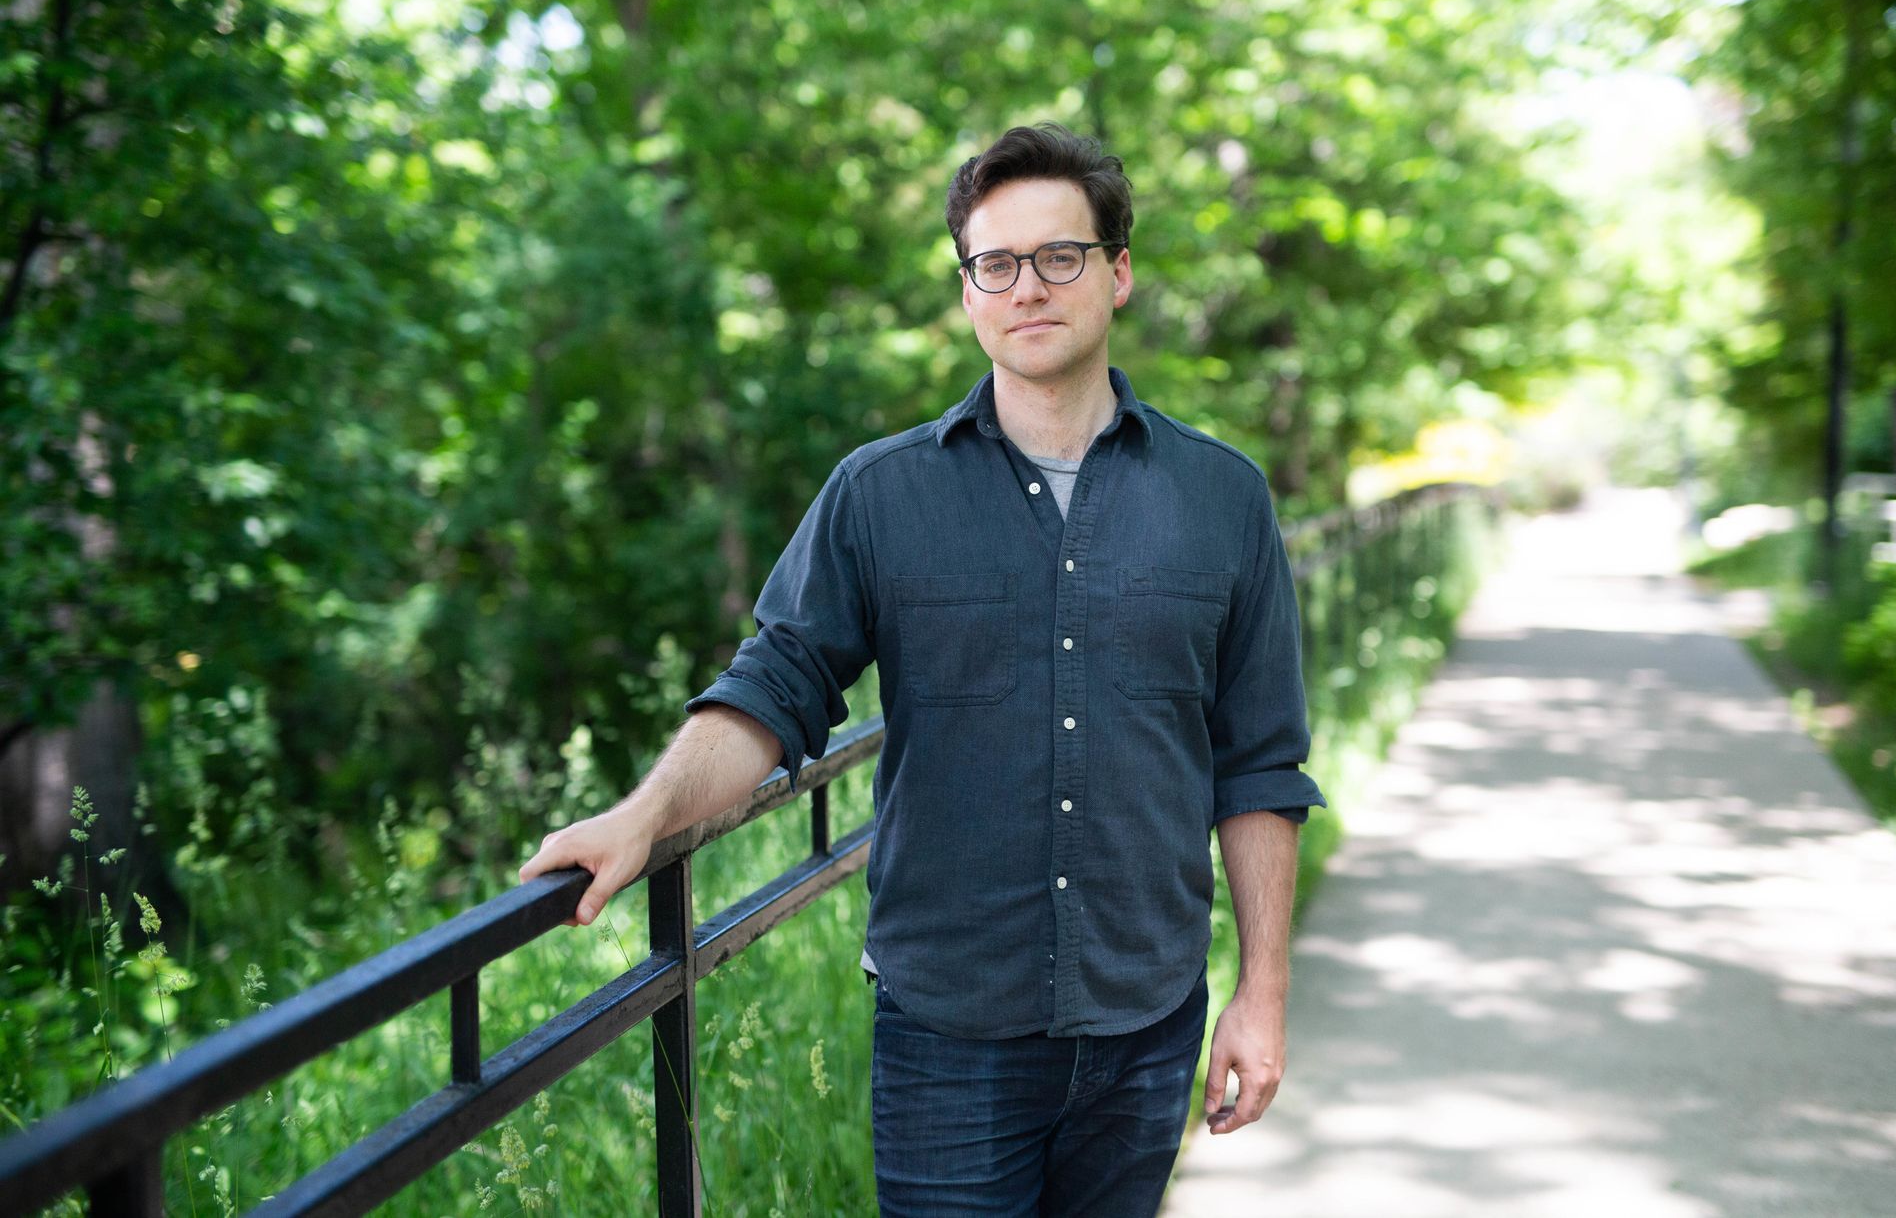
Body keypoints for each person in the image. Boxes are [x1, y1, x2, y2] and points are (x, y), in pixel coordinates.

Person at [519, 122, 1325, 1215]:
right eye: (994, 264)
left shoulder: (1221, 499)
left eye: (1059, 256)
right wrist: (642, 815)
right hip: (950, 1039)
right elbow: (775, 686)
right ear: (967, 293)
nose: (1025, 286)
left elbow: (1259, 764)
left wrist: (1261, 995)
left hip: (1146, 1025)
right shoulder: (878, 495)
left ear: (1118, 272)